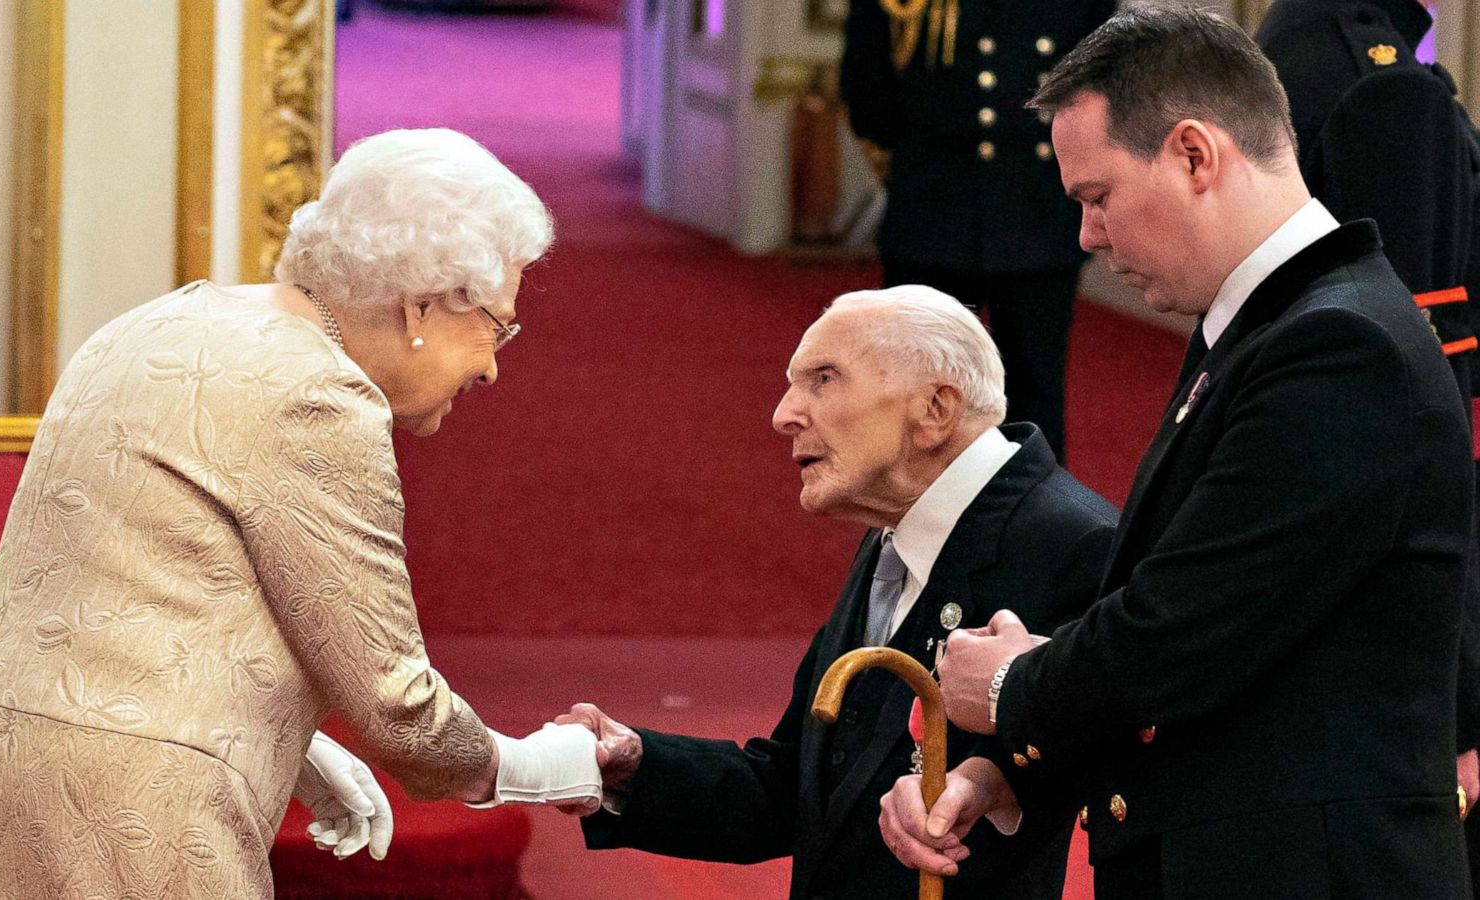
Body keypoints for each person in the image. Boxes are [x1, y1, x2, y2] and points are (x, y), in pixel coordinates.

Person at [876, 8, 1473, 898]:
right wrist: (1017, 768)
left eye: (1097, 197)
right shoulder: (1272, 323)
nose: (1085, 236)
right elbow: (1218, 624)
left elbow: (1182, 631)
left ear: (1195, 155)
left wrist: (1015, 689)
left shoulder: (1339, 347)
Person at [0, 129, 601, 899]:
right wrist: (535, 769)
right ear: (424, 303)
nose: (493, 363)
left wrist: (295, 742)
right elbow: (396, 702)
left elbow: (142, 586)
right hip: (134, 814)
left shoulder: (164, 321)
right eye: (496, 325)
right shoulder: (318, 396)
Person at [556, 286, 1117, 899]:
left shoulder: (1075, 543)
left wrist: (989, 780)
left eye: (824, 379)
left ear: (935, 409)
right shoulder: (899, 528)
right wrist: (638, 764)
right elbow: (801, 787)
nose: (783, 413)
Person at [1253, 1, 1480, 886]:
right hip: (1416, 610)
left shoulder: (1300, 39)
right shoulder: (1383, 88)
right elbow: (1433, 416)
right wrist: (1465, 706)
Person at [840, 0, 1115, 462]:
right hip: (932, 214)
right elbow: (867, 88)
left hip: (1037, 217)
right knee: (920, 395)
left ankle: (1035, 529)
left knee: (1034, 394)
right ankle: (918, 526)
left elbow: (1103, 87)